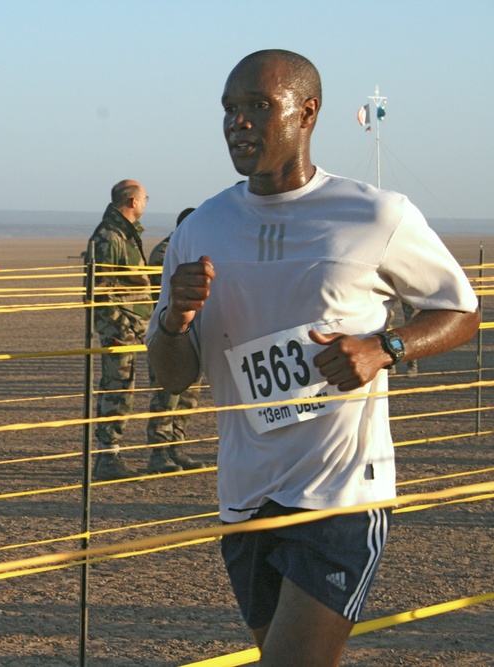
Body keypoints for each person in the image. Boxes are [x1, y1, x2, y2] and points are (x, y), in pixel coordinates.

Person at [147, 49, 478, 666]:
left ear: (308, 112)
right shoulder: (201, 229)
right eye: (228, 109)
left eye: (257, 107)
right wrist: (173, 320)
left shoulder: (375, 213)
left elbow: (462, 311)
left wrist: (386, 347)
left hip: (341, 493)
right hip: (245, 495)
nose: (237, 123)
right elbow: (173, 376)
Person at [88, 180, 155, 481]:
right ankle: (108, 455)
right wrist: (120, 325)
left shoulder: (124, 233)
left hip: (134, 325)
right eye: (144, 199)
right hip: (120, 327)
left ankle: (111, 452)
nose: (145, 203)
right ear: (132, 201)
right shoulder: (109, 236)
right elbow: (99, 291)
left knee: (124, 387)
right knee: (116, 388)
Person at [145, 207, 206, 473]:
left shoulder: (195, 253)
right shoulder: (166, 252)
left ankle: (176, 447)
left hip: (194, 334)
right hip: (167, 333)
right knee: (165, 397)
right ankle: (158, 454)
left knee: (188, 397)